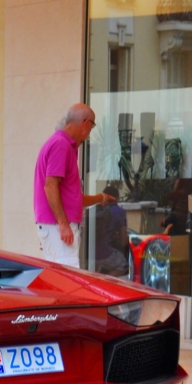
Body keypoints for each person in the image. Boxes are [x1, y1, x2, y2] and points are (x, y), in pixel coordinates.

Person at [33, 103, 115, 267]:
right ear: (85, 123)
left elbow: (72, 197)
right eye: (91, 129)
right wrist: (62, 225)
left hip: (55, 227)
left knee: (60, 279)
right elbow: (50, 187)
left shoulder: (62, 144)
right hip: (59, 227)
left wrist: (101, 197)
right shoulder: (61, 145)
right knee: (66, 281)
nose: (87, 136)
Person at [93, 184, 130, 276]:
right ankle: (102, 283)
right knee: (123, 266)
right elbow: (123, 241)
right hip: (105, 252)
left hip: (91, 252)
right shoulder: (119, 211)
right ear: (116, 198)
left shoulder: (95, 209)